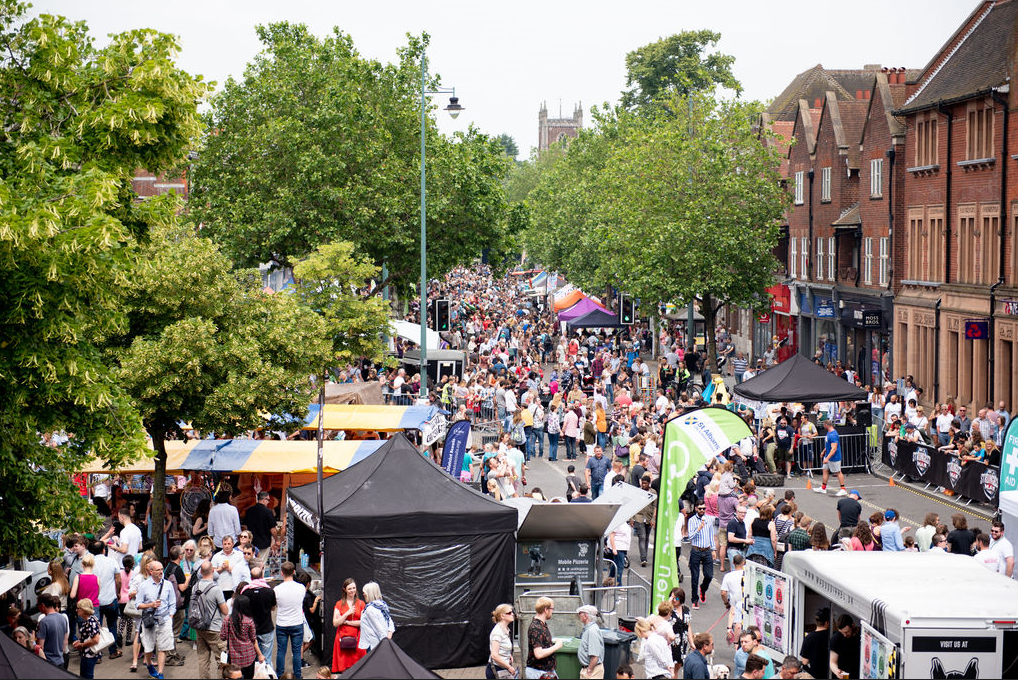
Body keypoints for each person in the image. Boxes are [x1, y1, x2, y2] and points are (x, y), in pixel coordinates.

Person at [137, 559, 176, 680]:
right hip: (150, 621)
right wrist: (150, 605)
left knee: (163, 647)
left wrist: (170, 616)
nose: (161, 572)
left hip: (165, 620)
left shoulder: (168, 584)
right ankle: (149, 664)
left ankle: (160, 672)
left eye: (161, 569)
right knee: (148, 648)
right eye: (158, 570)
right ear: (151, 571)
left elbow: (172, 603)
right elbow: (138, 604)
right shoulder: (144, 586)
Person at [192, 561, 230, 680]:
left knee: (203, 660)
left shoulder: (195, 587)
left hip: (199, 627)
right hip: (214, 628)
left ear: (201, 572)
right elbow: (225, 611)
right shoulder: (216, 589)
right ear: (213, 571)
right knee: (222, 660)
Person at [220, 593, 264, 679]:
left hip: (233, 658)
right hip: (249, 656)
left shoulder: (227, 619)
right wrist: (260, 654)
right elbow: (253, 640)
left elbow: (222, 637)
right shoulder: (249, 621)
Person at [274, 561, 305, 678]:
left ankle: (280, 675)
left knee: (281, 651)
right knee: (297, 652)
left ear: (282, 573)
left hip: (282, 623)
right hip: (297, 622)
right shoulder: (301, 588)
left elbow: (275, 605)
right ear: (294, 572)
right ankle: (297, 676)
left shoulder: (277, 589)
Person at [244, 563, 277, 665]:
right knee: (266, 658)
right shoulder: (269, 591)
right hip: (266, 628)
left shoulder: (245, 592)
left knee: (252, 659)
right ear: (262, 576)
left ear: (251, 577)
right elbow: (273, 607)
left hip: (250, 630)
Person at [331, 578, 366, 673]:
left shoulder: (361, 603)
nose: (352, 590)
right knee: (344, 670)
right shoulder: (339, 604)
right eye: (350, 588)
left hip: (358, 638)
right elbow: (335, 623)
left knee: (358, 669)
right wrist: (347, 613)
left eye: (354, 588)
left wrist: (345, 621)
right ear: (345, 590)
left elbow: (363, 623)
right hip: (342, 638)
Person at [686, 501, 716, 610]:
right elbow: (690, 537)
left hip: (707, 550)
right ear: (696, 509)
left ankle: (703, 588)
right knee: (695, 576)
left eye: (704, 508)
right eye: (700, 509)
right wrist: (699, 528)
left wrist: (713, 550)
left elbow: (711, 535)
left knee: (709, 575)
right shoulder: (692, 520)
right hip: (696, 550)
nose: (702, 510)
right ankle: (695, 599)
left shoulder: (708, 519)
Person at [525, 597, 562, 679]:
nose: (552, 611)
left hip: (545, 671)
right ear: (546, 609)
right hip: (539, 672)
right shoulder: (536, 627)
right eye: (552, 609)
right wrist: (556, 646)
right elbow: (538, 654)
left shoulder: (542, 625)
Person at [359, 582, 394, 653]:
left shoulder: (369, 610)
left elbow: (379, 629)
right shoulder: (382, 606)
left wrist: (385, 642)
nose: (363, 594)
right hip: (382, 642)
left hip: (374, 645)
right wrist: (388, 638)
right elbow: (390, 623)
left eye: (364, 592)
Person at [35, 594, 68, 668]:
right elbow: (65, 641)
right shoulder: (63, 618)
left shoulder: (43, 622)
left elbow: (40, 647)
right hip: (60, 660)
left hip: (49, 663)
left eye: (38, 605)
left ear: (43, 605)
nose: (38, 608)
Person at [814, 421, 847, 495]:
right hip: (828, 456)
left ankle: (843, 489)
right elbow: (828, 444)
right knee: (825, 470)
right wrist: (824, 451)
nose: (823, 427)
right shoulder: (829, 433)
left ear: (826, 425)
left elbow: (834, 449)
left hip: (834, 458)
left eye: (824, 425)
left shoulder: (833, 435)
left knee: (838, 472)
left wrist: (827, 458)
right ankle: (823, 488)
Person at [72, 598, 102, 679]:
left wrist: (82, 645)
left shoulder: (90, 622)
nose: (76, 610)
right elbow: (88, 636)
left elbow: (96, 639)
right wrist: (79, 641)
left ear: (84, 610)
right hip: (87, 654)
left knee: (87, 676)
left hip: (90, 654)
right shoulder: (90, 620)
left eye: (78, 608)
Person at [721, 554, 746, 644]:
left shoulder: (728, 576)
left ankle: (733, 638)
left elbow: (723, 593)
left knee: (735, 622)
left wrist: (726, 603)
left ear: (733, 562)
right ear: (744, 562)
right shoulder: (746, 574)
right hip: (746, 603)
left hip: (734, 604)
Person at [632, 475, 656, 567]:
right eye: (642, 483)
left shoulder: (653, 492)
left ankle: (644, 554)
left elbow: (655, 506)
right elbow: (633, 505)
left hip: (649, 518)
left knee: (646, 538)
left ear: (649, 484)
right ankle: (643, 558)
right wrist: (632, 518)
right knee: (642, 537)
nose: (643, 485)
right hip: (639, 517)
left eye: (645, 483)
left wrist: (653, 519)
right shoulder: (638, 492)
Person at [798, 607, 829, 678]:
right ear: (827, 622)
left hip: (814, 675)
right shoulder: (832, 636)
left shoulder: (809, 637)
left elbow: (804, 662)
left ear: (816, 621)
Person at [488, 604, 517, 679]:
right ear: (502, 616)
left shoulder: (505, 629)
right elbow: (494, 655)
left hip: (502, 667)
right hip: (497, 670)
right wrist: (509, 667)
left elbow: (502, 646)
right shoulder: (497, 632)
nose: (512, 614)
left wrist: (508, 654)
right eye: (509, 613)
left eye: (512, 612)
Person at [576, 605, 604, 679]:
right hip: (589, 669)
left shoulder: (592, 631)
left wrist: (589, 670)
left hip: (593, 670)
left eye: (580, 613)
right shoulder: (589, 629)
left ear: (585, 616)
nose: (579, 616)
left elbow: (594, 656)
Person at [829, 615, 859, 680]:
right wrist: (836, 671)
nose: (844, 635)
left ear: (853, 625)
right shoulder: (836, 638)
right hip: (845, 676)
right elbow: (832, 662)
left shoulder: (861, 635)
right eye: (842, 632)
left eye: (847, 632)